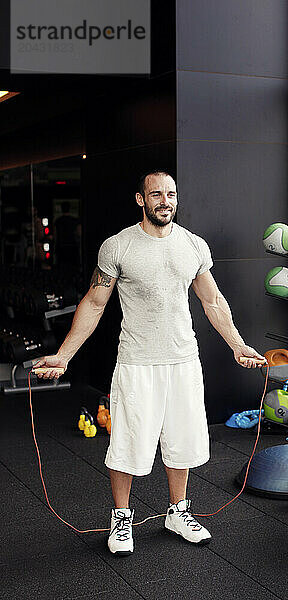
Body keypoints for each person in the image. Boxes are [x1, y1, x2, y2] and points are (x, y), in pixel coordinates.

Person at [33, 170, 266, 556]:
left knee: (183, 441)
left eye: (171, 193)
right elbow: (94, 302)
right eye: (156, 194)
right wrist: (64, 355)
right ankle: (121, 518)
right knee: (128, 444)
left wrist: (237, 345)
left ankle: (178, 512)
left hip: (183, 360)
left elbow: (213, 301)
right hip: (137, 362)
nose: (165, 201)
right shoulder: (118, 246)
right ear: (141, 200)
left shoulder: (193, 245)